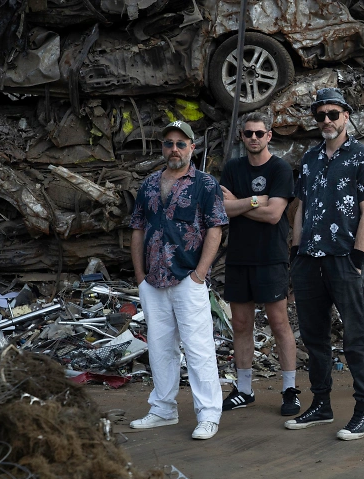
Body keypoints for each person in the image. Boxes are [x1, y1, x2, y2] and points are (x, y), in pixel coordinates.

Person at [285, 88, 364, 441]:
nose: (326, 120)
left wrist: (357, 256)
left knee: (356, 336)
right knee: (314, 336)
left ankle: (363, 410)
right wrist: (296, 251)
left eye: (333, 114)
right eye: (320, 115)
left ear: (346, 116)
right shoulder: (310, 158)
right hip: (309, 259)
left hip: (345, 259)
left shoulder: (363, 157)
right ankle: (321, 404)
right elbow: (301, 207)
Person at [129, 120, 227, 440]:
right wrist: (140, 276)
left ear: (192, 148)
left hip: (188, 278)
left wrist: (200, 274)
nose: (174, 149)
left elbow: (215, 229)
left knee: (198, 349)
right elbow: (137, 229)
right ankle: (163, 409)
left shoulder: (205, 184)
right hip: (153, 280)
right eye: (169, 143)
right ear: (163, 148)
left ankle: (208, 414)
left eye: (181, 144)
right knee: (160, 348)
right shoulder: (149, 184)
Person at [218, 112, 299, 416]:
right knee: (241, 324)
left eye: (259, 133)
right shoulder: (233, 168)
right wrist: (255, 200)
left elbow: (274, 215)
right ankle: (243, 389)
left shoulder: (280, 169)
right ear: (242, 136)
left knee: (279, 323)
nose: (254, 138)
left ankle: (289, 390)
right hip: (239, 257)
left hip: (270, 257)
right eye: (248, 133)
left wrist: (239, 203)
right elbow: (222, 209)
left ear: (269, 136)